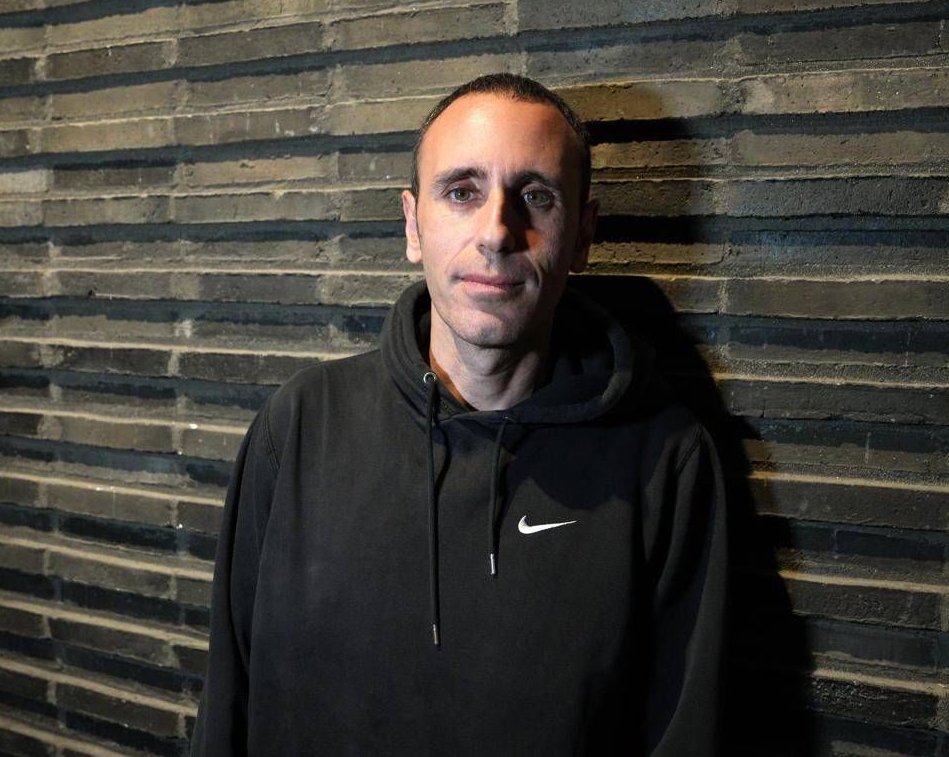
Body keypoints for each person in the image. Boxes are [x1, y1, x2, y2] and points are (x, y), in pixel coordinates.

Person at [190, 73, 727, 756]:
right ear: (413, 224)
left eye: (536, 197)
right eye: (462, 192)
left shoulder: (666, 462)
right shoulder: (297, 426)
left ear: (582, 235)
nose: (497, 233)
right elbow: (228, 702)